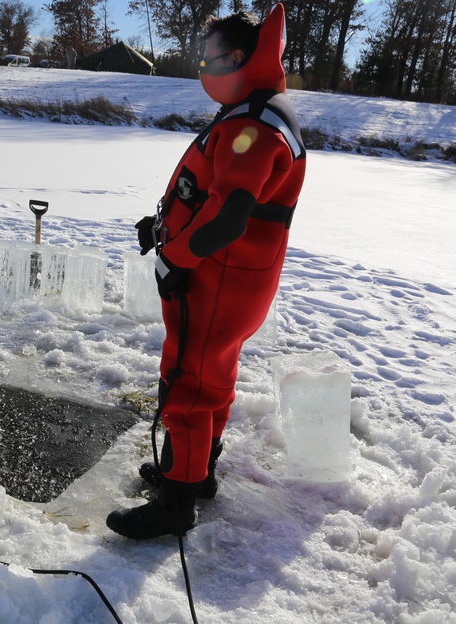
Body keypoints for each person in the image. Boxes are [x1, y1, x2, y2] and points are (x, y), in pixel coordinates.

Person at [107, 3, 307, 540]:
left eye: (210, 58)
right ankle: (196, 473)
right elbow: (211, 192)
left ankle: (176, 503)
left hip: (219, 277)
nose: (203, 68)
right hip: (232, 277)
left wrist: (176, 257)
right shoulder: (255, 108)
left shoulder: (257, 123)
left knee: (189, 379)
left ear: (238, 57)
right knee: (211, 375)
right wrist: (163, 223)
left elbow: (230, 213)